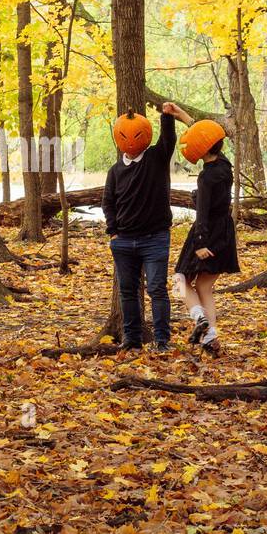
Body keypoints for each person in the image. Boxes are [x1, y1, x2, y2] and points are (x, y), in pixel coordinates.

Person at [103, 101, 192, 353]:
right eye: (124, 136)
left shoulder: (156, 158)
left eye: (135, 135)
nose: (130, 141)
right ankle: (131, 339)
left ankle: (162, 340)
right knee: (128, 291)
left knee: (156, 288)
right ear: (118, 139)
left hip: (155, 239)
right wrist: (113, 231)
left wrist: (167, 117)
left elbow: (168, 139)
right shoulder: (115, 170)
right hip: (123, 241)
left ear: (145, 135)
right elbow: (108, 202)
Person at [174, 119, 239, 356]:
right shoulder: (225, 166)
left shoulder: (206, 177)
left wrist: (200, 243)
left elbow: (202, 213)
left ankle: (199, 317)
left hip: (206, 232)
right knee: (204, 285)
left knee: (180, 281)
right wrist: (181, 114)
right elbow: (202, 132)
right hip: (224, 232)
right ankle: (211, 337)